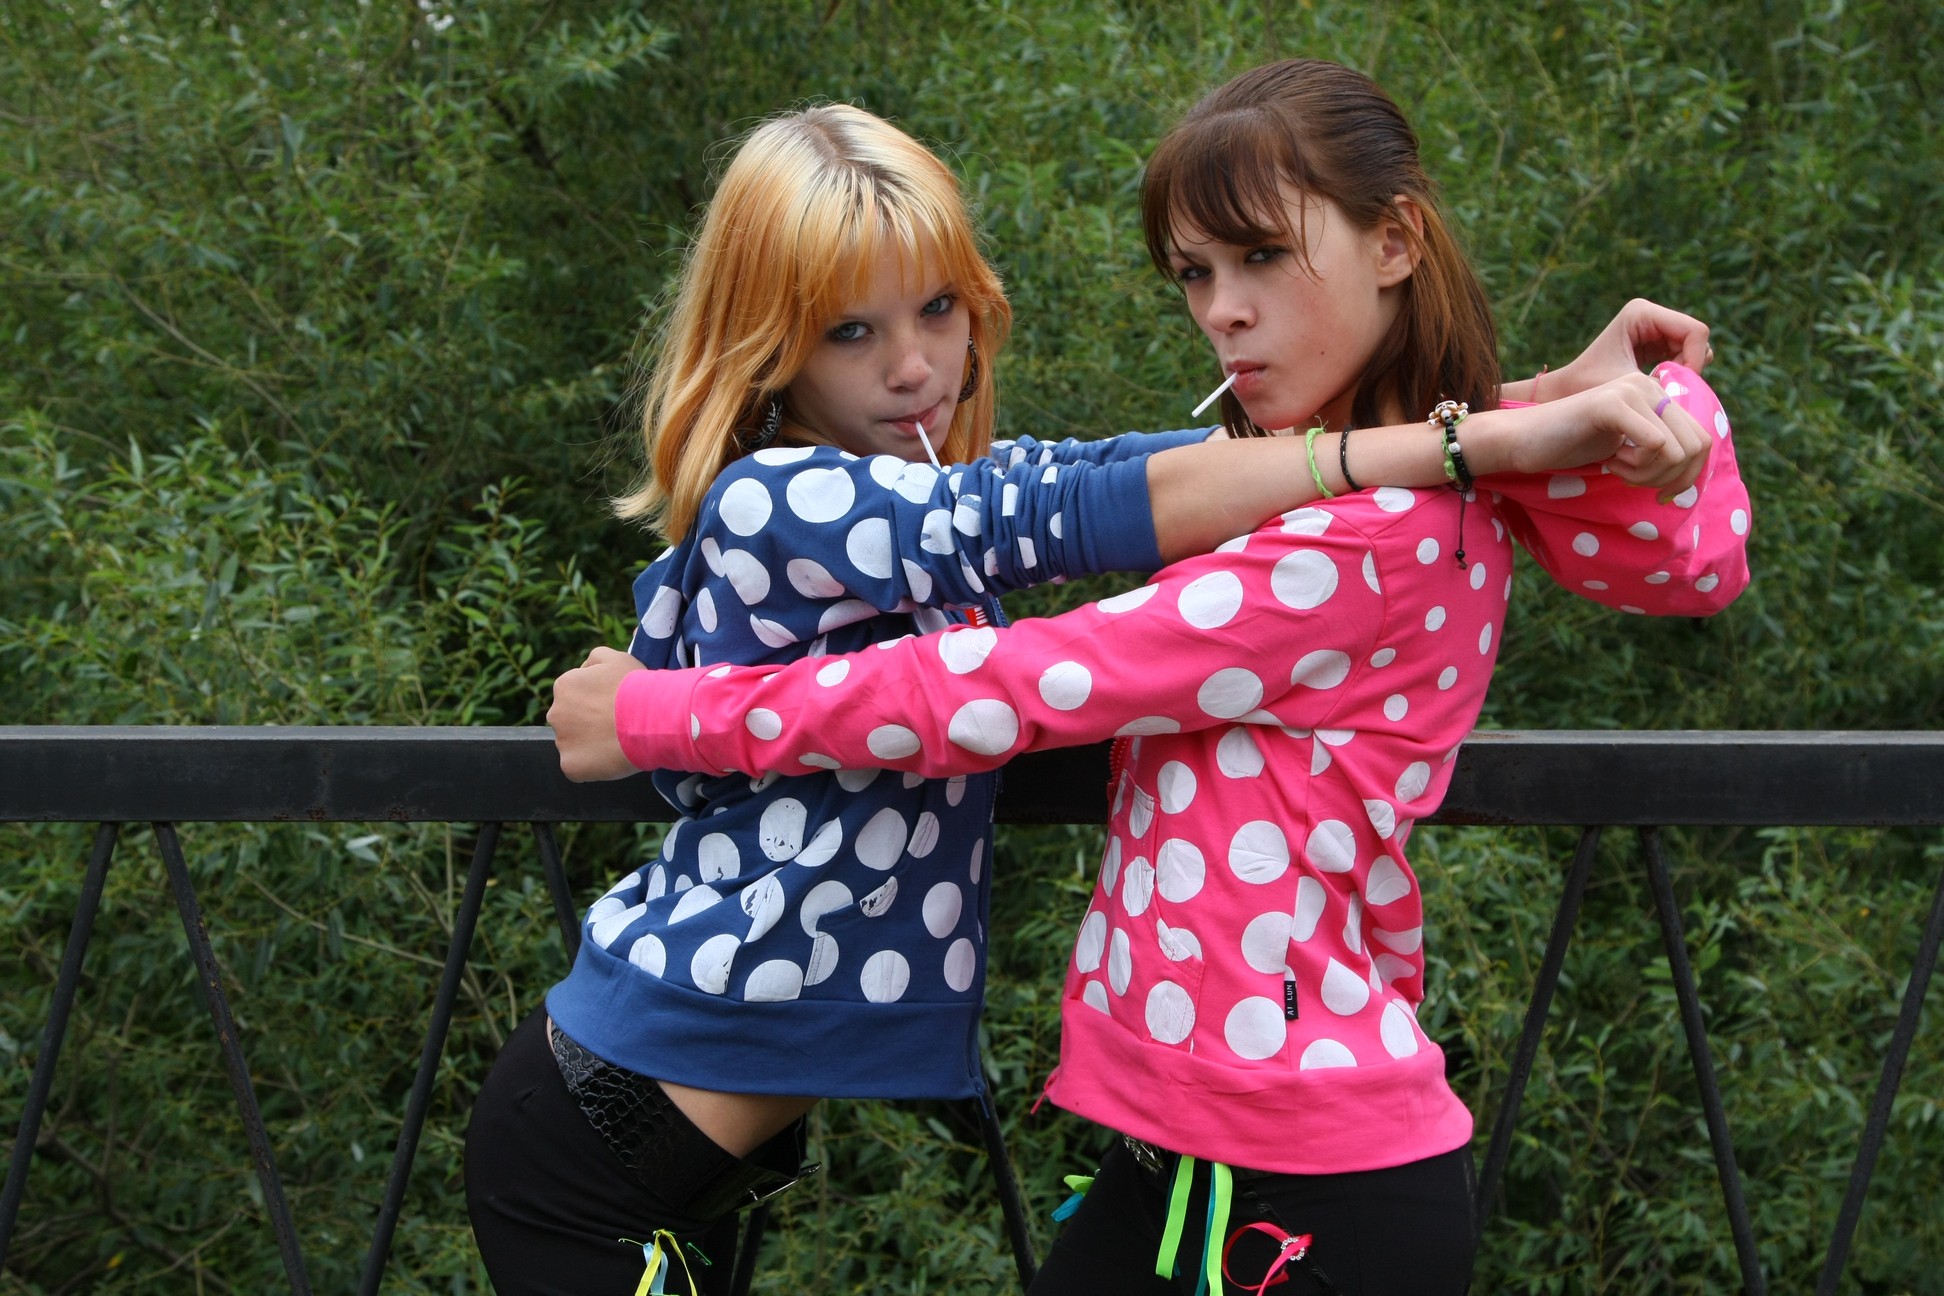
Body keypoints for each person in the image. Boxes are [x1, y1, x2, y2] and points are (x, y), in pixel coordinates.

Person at [550, 62, 1751, 1295]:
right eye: (1194, 273)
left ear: (1395, 244)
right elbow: (1250, 466)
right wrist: (1541, 402)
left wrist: (658, 715)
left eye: (1262, 257)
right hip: (1212, 1153)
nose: (1223, 311)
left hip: (1303, 1181)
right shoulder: (1389, 491)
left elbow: (1009, 683)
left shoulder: (1357, 545)